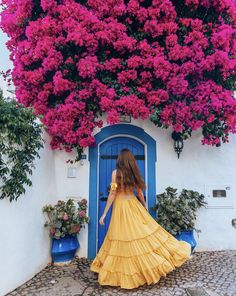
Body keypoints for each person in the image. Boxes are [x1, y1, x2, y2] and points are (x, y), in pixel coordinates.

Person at [90, 148, 191, 289]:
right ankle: (148, 267)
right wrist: (144, 206)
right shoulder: (134, 173)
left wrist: (104, 213)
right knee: (140, 234)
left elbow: (112, 194)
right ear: (131, 160)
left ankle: (127, 273)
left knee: (122, 236)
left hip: (120, 207)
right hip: (133, 205)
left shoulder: (116, 173)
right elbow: (139, 192)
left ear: (120, 160)